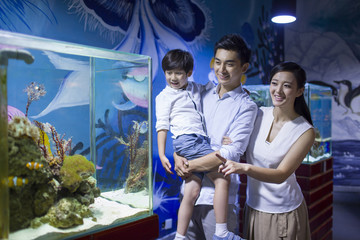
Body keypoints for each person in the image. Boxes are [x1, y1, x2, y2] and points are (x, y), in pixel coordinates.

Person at [174, 34, 258, 240]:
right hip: (188, 193)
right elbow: (184, 128)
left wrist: (190, 165)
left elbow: (230, 153)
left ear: (244, 67)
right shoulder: (200, 93)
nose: (221, 70)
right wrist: (177, 156)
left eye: (229, 64)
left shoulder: (246, 106)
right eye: (218, 62)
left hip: (217, 202)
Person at [218, 61, 315, 240]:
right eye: (274, 83)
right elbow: (253, 153)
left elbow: (281, 174)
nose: (278, 91)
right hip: (253, 206)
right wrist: (234, 143)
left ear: (300, 91)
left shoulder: (305, 131)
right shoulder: (259, 113)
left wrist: (243, 167)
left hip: (283, 211)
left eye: (287, 86)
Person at [155, 49, 237, 240]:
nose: (173, 78)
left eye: (178, 73)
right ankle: (222, 231)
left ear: (189, 73)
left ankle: (180, 237)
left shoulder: (194, 88)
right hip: (188, 141)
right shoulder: (164, 97)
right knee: (223, 177)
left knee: (191, 192)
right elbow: (162, 126)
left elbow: (215, 89)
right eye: (169, 73)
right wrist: (162, 154)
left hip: (197, 141)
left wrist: (240, 90)